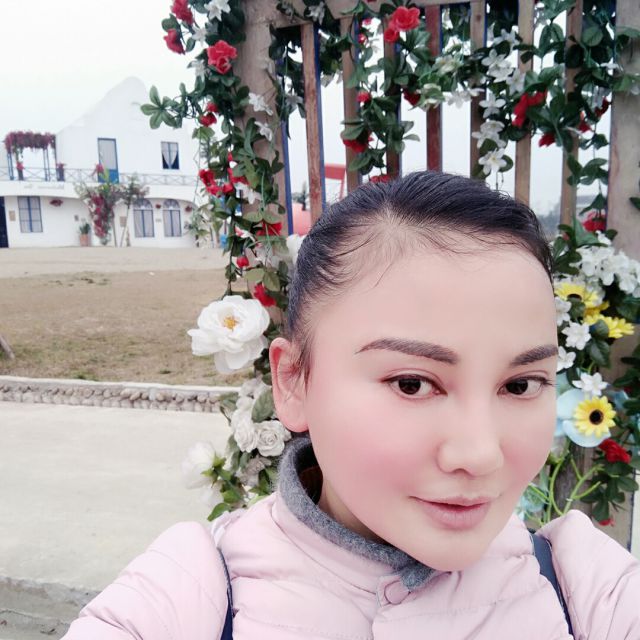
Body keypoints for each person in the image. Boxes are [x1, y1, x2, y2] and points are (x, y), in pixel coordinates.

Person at [62, 171, 640, 639]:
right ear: (293, 382)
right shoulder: (189, 596)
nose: (480, 453)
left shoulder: (581, 585)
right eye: (412, 384)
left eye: (520, 386)